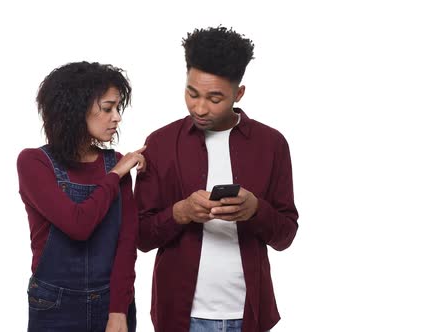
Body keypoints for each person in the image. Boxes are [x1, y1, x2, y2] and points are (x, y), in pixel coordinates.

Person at [134, 27, 299, 332]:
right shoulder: (160, 143)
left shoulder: (272, 144)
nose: (199, 108)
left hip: (250, 314)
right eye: (191, 93)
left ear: (239, 94)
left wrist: (255, 210)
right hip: (180, 316)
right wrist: (180, 213)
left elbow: (286, 235)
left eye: (215, 98)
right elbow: (140, 236)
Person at [17, 61, 144, 332]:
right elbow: (78, 225)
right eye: (108, 108)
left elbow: (127, 243)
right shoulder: (34, 162)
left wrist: (119, 310)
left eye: (118, 108)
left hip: (112, 304)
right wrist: (114, 176)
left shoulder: (117, 164)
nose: (117, 117)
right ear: (76, 110)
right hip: (54, 307)